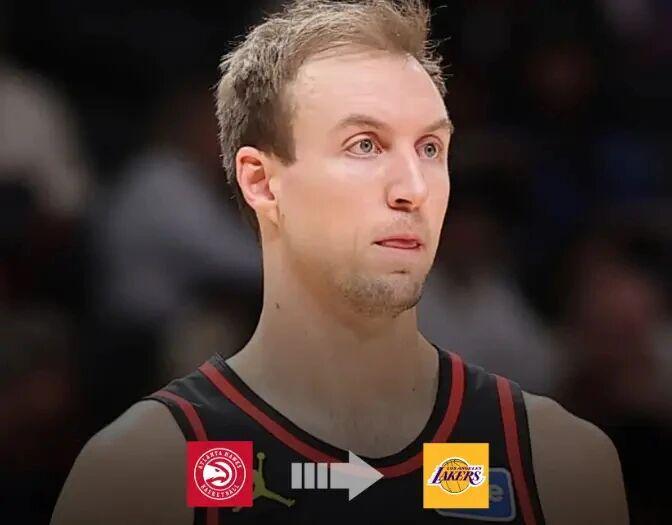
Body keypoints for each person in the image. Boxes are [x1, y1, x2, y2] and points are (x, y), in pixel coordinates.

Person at [51, 1, 628, 524]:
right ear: (261, 181)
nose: (413, 188)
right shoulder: (141, 473)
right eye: (365, 145)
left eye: (430, 148)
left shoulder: (559, 462)